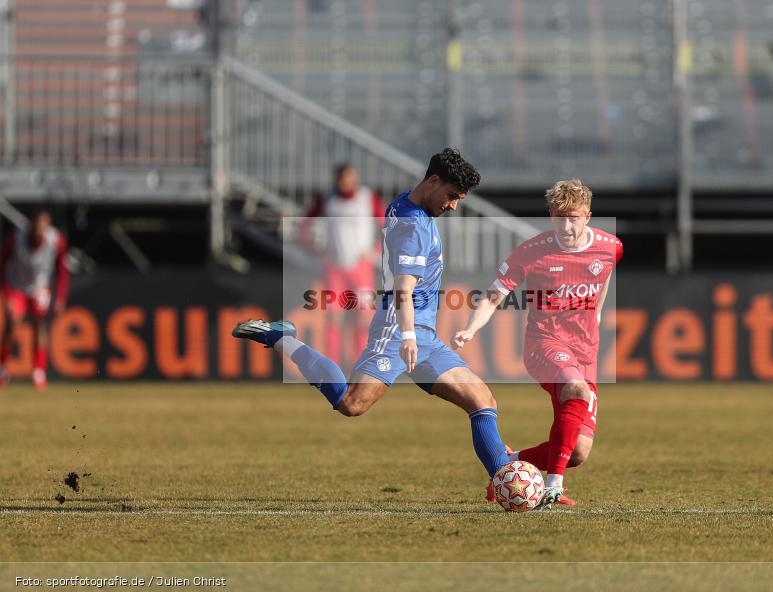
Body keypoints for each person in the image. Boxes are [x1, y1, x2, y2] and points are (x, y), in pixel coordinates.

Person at [234, 148, 510, 490]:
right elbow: (403, 290)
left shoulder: (407, 204)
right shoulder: (414, 227)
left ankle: (505, 480)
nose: (453, 205)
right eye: (452, 195)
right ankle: (281, 337)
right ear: (433, 181)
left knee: (483, 401)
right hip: (399, 330)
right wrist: (407, 336)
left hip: (423, 335)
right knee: (352, 404)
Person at [453, 179, 622, 508]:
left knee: (577, 452)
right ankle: (553, 485)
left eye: (573, 217)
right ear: (550, 215)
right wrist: (470, 329)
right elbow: (492, 297)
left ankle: (507, 464)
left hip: (585, 351)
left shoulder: (610, 246)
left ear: (588, 215)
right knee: (575, 388)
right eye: (559, 217)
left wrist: (597, 314)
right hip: (543, 343)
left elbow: (604, 277)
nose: (566, 225)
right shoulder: (531, 252)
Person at [297, 164, 384, 366]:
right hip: (334, 268)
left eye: (349, 178)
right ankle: (332, 365)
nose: (345, 182)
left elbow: (387, 225)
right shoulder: (327, 199)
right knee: (334, 317)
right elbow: (303, 225)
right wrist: (315, 248)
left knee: (363, 317)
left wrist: (376, 251)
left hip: (361, 268)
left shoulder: (367, 198)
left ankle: (362, 364)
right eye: (342, 178)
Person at [0, 208, 70, 390]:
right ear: (31, 225)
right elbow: (2, 263)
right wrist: (3, 290)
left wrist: (60, 297)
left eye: (44, 226)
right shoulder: (16, 239)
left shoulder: (56, 241)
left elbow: (63, 271)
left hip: (39, 286)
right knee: (12, 323)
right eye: (38, 225)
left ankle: (38, 372)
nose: (40, 229)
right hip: (16, 285)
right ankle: (2, 368)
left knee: (39, 325)